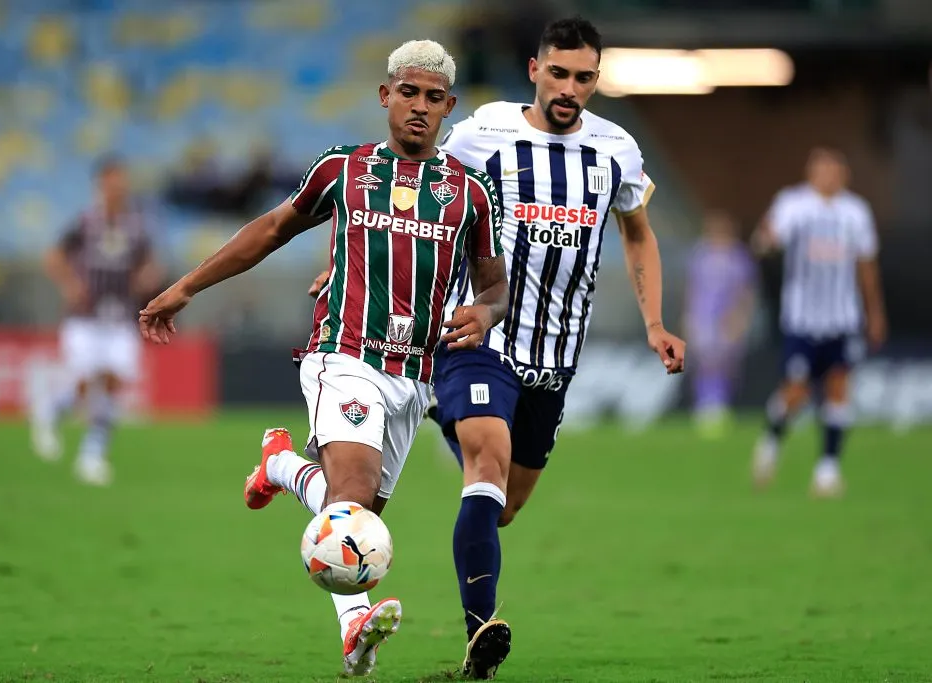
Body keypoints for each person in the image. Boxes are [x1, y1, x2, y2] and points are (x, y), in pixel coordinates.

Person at [302, 17, 686, 679]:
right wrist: (346, 261)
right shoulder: (482, 134)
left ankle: (404, 417)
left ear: (597, 79)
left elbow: (638, 231)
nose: (570, 88)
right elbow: (407, 186)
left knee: (501, 504)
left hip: (556, 356)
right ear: (535, 70)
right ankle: (481, 634)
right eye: (559, 73)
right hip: (480, 335)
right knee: (486, 457)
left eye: (584, 77)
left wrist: (654, 321)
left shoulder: (617, 149)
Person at [139, 40, 508, 678]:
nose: (419, 107)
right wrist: (185, 288)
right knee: (353, 497)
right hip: (343, 353)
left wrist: (486, 313)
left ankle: (281, 466)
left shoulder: (469, 195)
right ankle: (357, 624)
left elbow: (494, 284)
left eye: (433, 97)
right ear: (385, 96)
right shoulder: (344, 168)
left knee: (355, 519)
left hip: (414, 380)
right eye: (408, 93)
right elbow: (272, 228)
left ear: (449, 106)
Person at [750, 147, 888, 497]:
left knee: (839, 389)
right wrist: (764, 238)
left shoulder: (856, 212)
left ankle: (827, 468)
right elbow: (767, 241)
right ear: (811, 173)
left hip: (842, 318)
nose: (829, 175)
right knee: (795, 392)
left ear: (844, 174)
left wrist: (875, 312)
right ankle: (771, 441)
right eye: (822, 169)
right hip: (802, 319)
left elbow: (866, 265)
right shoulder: (793, 205)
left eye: (835, 169)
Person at [30, 155, 162, 486]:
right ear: (101, 184)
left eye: (122, 180)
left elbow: (150, 264)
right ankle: (53, 413)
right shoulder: (85, 221)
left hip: (120, 318)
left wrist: (147, 278)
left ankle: (91, 453)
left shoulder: (136, 225)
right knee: (86, 384)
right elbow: (53, 256)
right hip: (85, 319)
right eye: (113, 180)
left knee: (114, 383)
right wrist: (70, 284)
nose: (119, 186)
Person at [683, 210, 758, 437]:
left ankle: (720, 404)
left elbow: (746, 292)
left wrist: (741, 317)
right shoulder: (700, 255)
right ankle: (705, 406)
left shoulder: (739, 258)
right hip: (702, 316)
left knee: (726, 364)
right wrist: (687, 315)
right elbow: (692, 288)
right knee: (704, 362)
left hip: (727, 318)